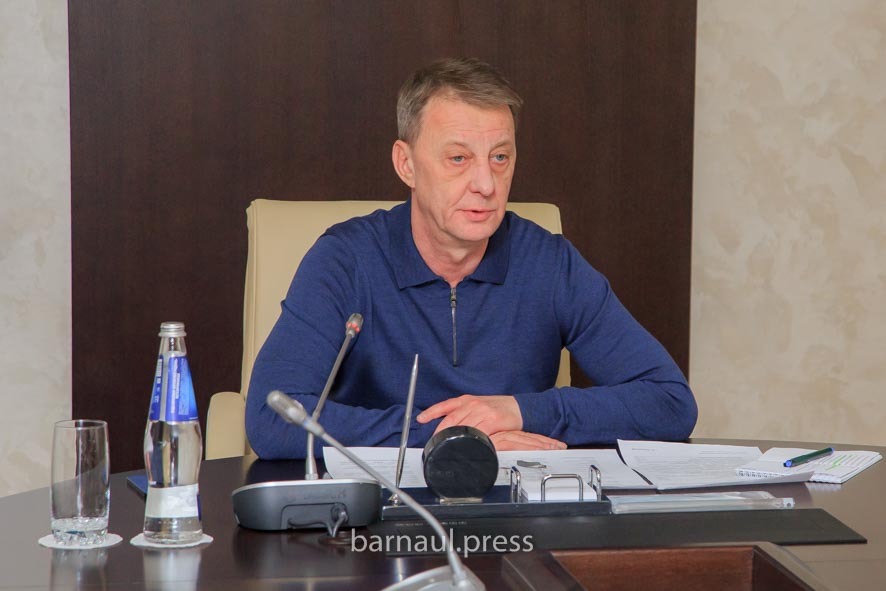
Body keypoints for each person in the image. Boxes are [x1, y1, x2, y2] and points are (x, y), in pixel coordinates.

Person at [246, 57, 697, 459]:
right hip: (380, 508)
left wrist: (519, 411)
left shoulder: (549, 262)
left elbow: (671, 403)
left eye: (500, 157)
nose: (486, 184)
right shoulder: (346, 259)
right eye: (459, 158)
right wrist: (456, 437)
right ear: (406, 164)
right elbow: (272, 417)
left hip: (514, 508)